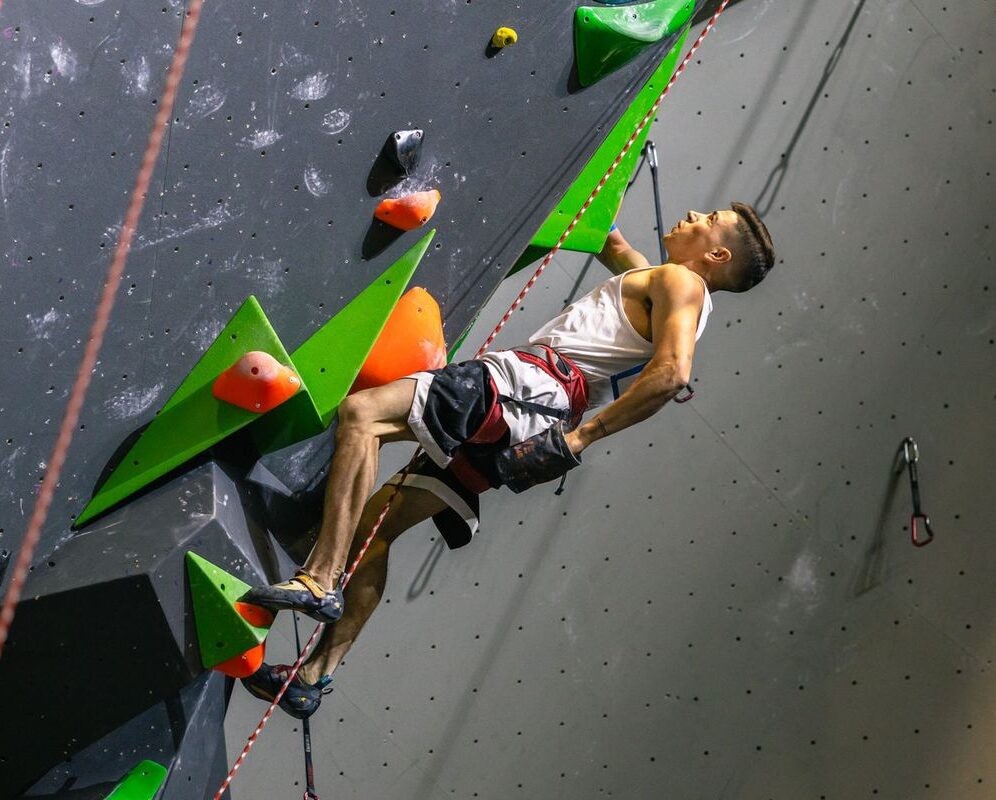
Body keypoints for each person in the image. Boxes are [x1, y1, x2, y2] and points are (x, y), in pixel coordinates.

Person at [241, 203, 775, 718]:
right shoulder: (664, 284)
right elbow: (612, 243)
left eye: (710, 221)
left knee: (364, 414)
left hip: (524, 388)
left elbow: (674, 373)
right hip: (535, 418)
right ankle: (313, 677)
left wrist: (583, 439)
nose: (692, 216)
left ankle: (319, 578)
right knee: (374, 533)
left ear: (719, 257)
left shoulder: (684, 285)